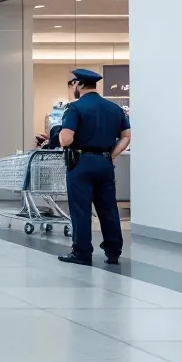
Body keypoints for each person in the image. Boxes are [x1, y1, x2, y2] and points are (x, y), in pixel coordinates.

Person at [58, 69, 131, 266]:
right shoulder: (113, 108)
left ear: (79, 84)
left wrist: (58, 136)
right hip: (105, 163)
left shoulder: (74, 108)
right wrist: (112, 154)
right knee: (108, 208)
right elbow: (126, 135)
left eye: (73, 83)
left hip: (80, 163)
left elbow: (66, 139)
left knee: (81, 209)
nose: (73, 87)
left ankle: (82, 252)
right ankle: (113, 251)